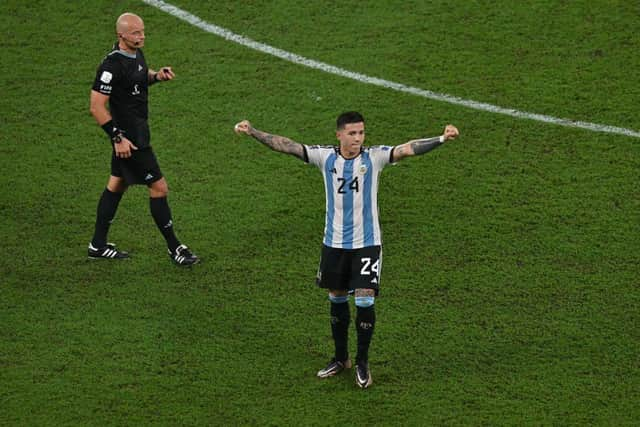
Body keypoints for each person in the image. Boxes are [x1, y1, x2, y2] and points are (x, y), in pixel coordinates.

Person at [234, 112, 459, 388]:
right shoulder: (325, 157)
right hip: (334, 243)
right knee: (337, 298)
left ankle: (362, 362)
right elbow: (287, 145)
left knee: (365, 300)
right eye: (352, 134)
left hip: (367, 243)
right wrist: (253, 131)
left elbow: (407, 149)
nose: (358, 139)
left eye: (361, 133)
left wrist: (441, 138)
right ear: (339, 134)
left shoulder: (373, 158)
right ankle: (341, 358)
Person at [88, 12, 198, 266]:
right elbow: (96, 107)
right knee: (159, 188)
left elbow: (139, 77)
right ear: (121, 35)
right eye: (136, 33)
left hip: (136, 133)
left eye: (143, 31)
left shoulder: (135, 53)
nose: (142, 36)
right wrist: (117, 138)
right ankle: (175, 249)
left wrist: (157, 76)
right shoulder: (110, 66)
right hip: (131, 141)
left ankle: (97, 244)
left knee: (117, 184)